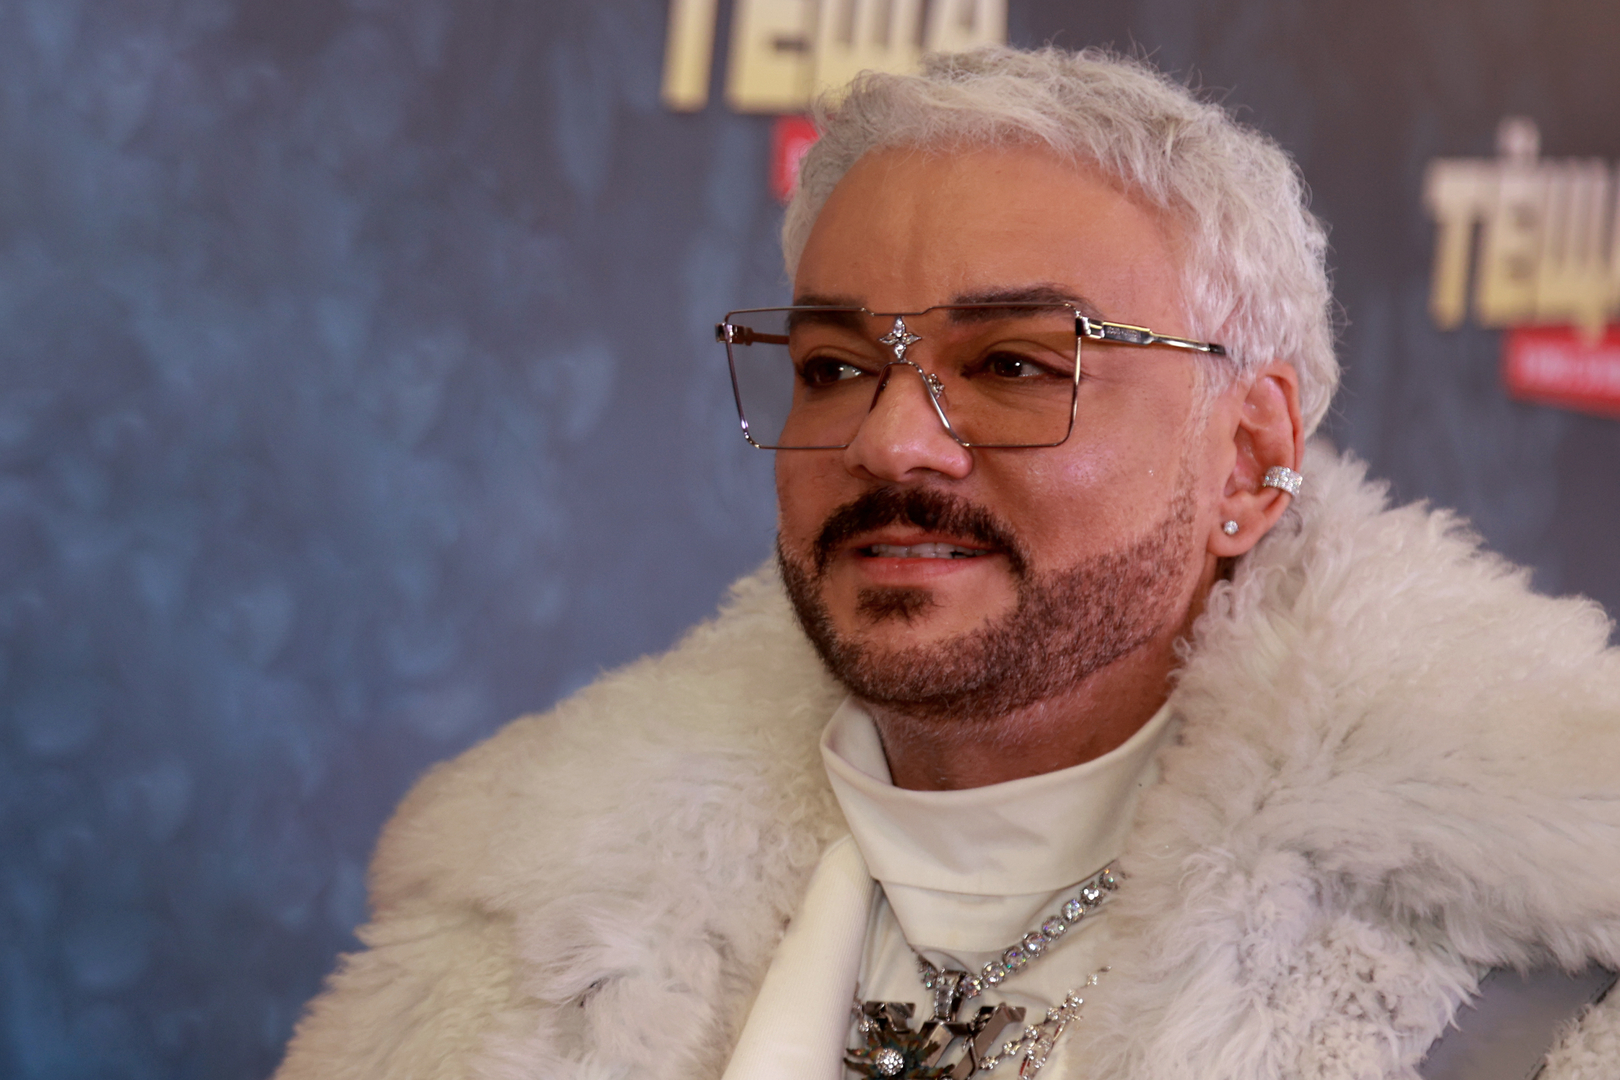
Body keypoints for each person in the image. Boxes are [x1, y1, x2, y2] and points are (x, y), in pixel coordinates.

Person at [274, 47, 1620, 1080]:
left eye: (1015, 365)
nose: (890, 441)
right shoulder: (517, 945)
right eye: (833, 367)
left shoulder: (1536, 989)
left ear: (1249, 456)